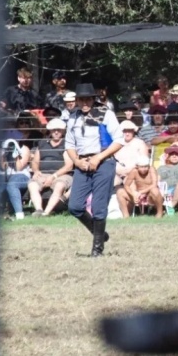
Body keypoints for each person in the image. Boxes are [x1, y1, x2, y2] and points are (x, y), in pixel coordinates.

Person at [64, 83, 123, 257]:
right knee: (74, 206)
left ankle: (97, 249)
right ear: (76, 101)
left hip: (103, 161)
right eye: (81, 99)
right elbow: (69, 144)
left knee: (98, 206)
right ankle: (100, 234)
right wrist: (76, 161)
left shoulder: (106, 114)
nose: (85, 103)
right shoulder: (73, 117)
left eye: (88, 99)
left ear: (93, 99)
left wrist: (98, 158)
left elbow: (119, 141)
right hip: (82, 163)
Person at [26, 118, 74, 216]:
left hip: (62, 175)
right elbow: (35, 162)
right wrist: (36, 171)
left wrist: (53, 176)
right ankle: (39, 210)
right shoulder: (42, 143)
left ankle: (47, 212)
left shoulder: (66, 144)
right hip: (43, 174)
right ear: (50, 131)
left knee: (59, 186)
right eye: (54, 130)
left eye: (59, 130)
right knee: (32, 185)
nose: (56, 132)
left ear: (63, 131)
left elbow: (69, 166)